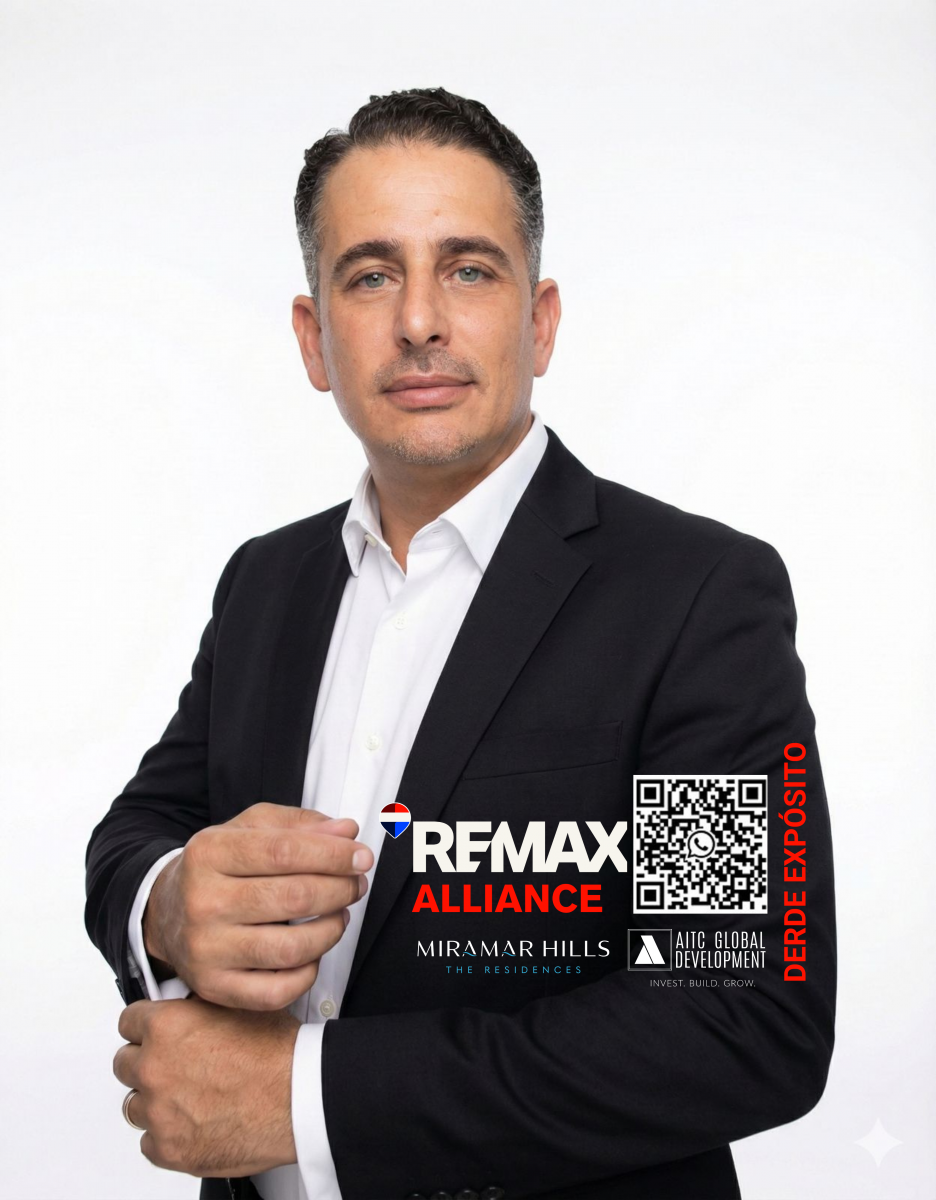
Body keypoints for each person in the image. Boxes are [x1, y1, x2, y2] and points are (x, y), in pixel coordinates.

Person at [85, 86, 837, 1200]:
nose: (420, 321)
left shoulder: (690, 596)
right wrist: (168, 901)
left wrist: (304, 1098)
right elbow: (141, 827)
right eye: (371, 275)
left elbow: (736, 1018)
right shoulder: (265, 582)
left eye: (470, 270)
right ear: (314, 339)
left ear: (540, 323)